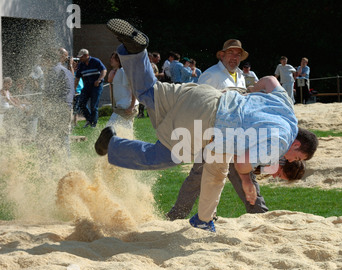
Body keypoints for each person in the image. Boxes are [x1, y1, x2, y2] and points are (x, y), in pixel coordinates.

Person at [96, 19, 318, 232]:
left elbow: (270, 80)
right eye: (297, 157)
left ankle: (135, 51)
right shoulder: (281, 141)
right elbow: (242, 163)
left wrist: (251, 92)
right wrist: (246, 182)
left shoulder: (288, 109)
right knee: (163, 156)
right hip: (206, 124)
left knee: (148, 93)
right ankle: (115, 146)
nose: (290, 159)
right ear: (297, 144)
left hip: (202, 97)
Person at [167, 38, 269, 222]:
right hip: (212, 136)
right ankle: (176, 217)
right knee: (198, 178)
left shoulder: (239, 75)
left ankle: (259, 215)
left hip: (235, 137)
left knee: (243, 175)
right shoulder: (211, 75)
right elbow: (198, 103)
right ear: (222, 55)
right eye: (231, 53)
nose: (235, 57)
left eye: (238, 54)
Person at [74, 48, 107, 128]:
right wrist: (74, 88)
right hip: (87, 86)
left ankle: (93, 124)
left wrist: (99, 80)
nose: (80, 59)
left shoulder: (96, 61)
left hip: (96, 86)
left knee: (93, 105)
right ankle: (89, 119)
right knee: (81, 103)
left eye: (81, 57)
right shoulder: (81, 65)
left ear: (86, 56)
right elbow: (77, 78)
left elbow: (104, 70)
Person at [106, 52, 137, 130]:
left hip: (126, 106)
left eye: (113, 58)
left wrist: (132, 106)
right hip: (121, 106)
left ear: (119, 60)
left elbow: (134, 88)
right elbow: (110, 80)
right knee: (125, 130)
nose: (111, 59)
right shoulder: (118, 71)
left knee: (109, 129)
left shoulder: (123, 71)